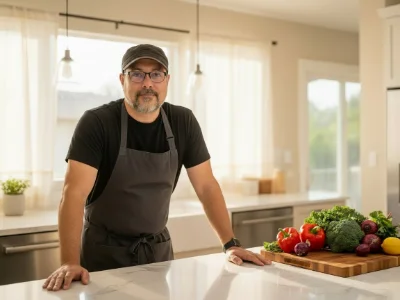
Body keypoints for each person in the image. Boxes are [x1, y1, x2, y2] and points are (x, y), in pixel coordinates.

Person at [42, 44, 271, 292]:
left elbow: (206, 186)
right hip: (103, 255)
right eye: (137, 74)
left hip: (158, 254)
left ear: (167, 80)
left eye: (156, 74)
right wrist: (69, 262)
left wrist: (231, 244)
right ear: (123, 79)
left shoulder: (183, 122)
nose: (147, 83)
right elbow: (73, 194)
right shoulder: (97, 123)